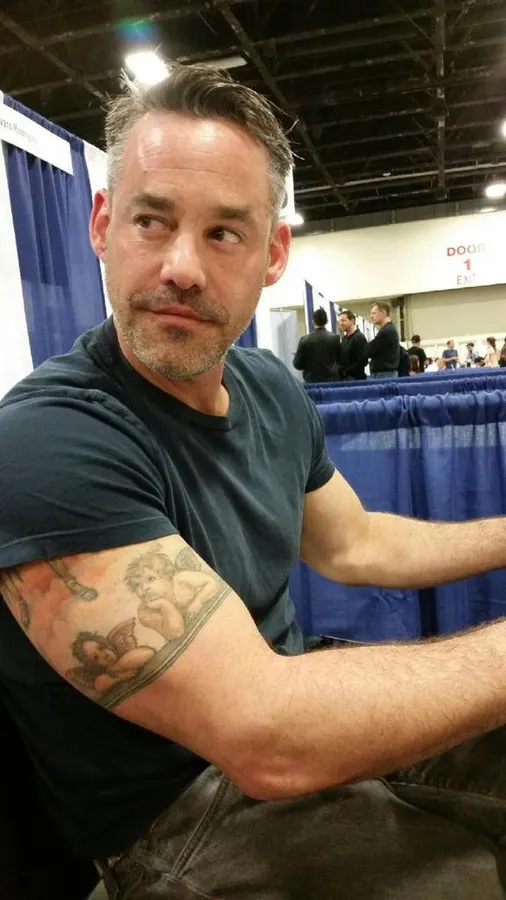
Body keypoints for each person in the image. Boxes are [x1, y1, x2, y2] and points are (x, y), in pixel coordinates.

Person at [3, 64, 506, 900]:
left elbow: (355, 544)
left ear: (273, 255)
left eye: (224, 233)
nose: (181, 267)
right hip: (173, 818)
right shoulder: (47, 442)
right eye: (151, 221)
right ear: (102, 224)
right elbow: (264, 733)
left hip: (285, 707)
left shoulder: (270, 387)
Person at [293, 307, 341, 382]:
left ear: (313, 322)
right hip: (332, 380)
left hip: (311, 381)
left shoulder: (304, 340)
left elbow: (297, 364)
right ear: (327, 321)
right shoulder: (336, 338)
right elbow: (341, 361)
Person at [366, 301, 400, 378]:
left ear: (383, 313)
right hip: (386, 374)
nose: (371, 316)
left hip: (384, 375)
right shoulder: (389, 329)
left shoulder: (386, 331)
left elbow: (369, 351)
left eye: (374, 313)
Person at [337, 309, 368, 380]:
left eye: (343, 320)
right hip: (345, 378)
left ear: (352, 321)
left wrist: (346, 371)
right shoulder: (344, 339)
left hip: (355, 379)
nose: (340, 323)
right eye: (339, 321)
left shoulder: (359, 338)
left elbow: (363, 360)